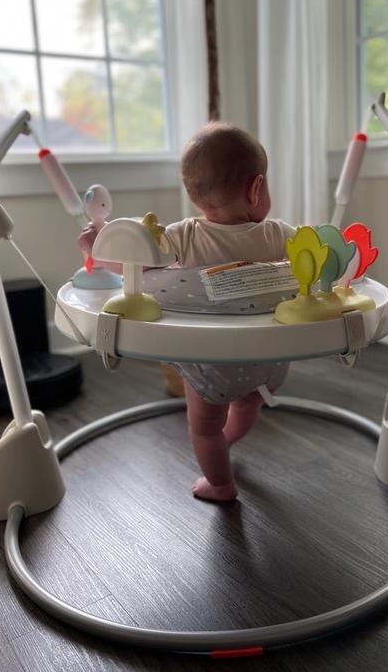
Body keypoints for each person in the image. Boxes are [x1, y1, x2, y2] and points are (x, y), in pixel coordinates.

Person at [79, 123, 294, 502]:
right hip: (267, 361)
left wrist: (95, 250)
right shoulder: (279, 234)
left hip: (209, 364)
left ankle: (220, 484)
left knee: (204, 428)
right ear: (257, 188)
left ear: (195, 197)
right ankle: (230, 439)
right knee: (247, 404)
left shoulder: (183, 235)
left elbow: (132, 267)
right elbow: (316, 262)